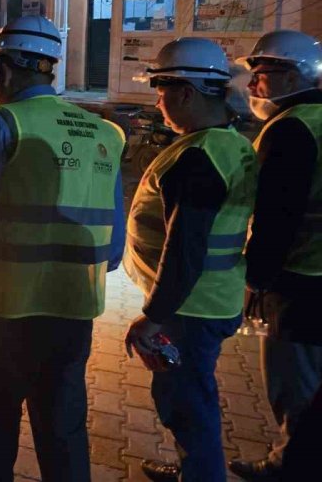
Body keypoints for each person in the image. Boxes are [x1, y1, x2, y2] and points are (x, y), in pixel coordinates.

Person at [0, 15, 126, 482]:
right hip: (74, 315)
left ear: (5, 71)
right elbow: (113, 251)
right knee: (64, 436)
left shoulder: (2, 124)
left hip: (3, 314)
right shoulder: (105, 134)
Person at [122, 38, 257, 482]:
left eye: (161, 91)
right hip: (210, 300)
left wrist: (154, 318)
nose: (158, 102)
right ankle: (193, 467)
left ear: (185, 93)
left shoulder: (197, 158)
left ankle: (201, 473)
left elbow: (185, 249)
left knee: (186, 403)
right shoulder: (228, 143)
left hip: (189, 308)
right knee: (191, 394)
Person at [228, 30, 322, 481]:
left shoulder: (291, 128)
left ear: (292, 76)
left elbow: (276, 216)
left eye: (261, 74)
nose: (251, 86)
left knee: (295, 386)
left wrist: (255, 280)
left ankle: (291, 466)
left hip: (300, 282)